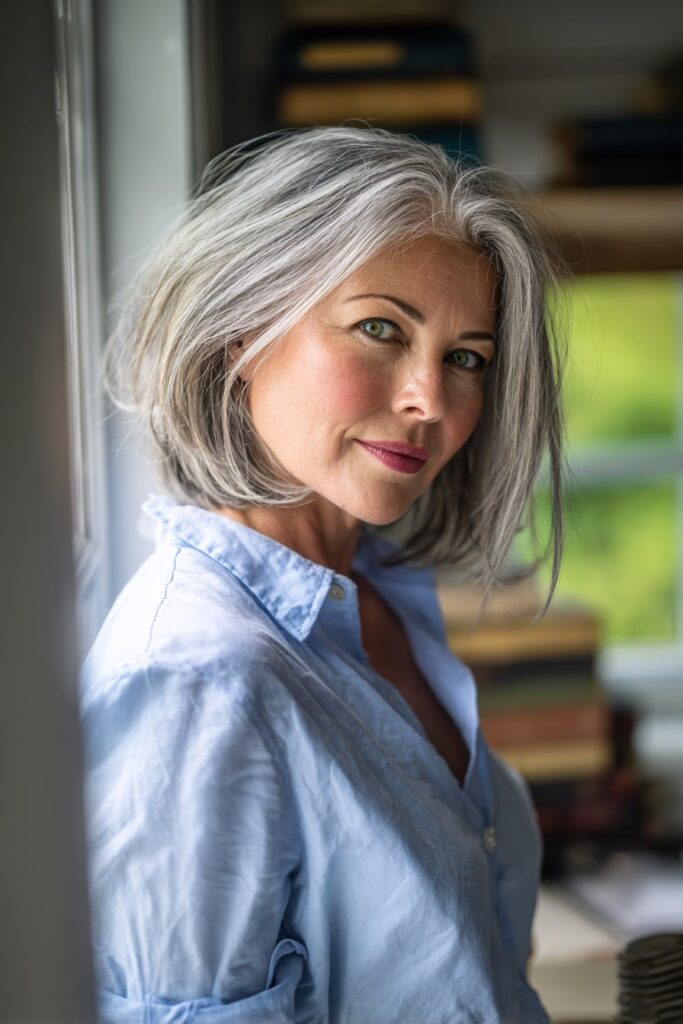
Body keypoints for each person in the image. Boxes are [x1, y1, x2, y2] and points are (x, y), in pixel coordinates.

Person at [80, 126, 564, 1024]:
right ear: (239, 330)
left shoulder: (380, 597)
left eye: (467, 357)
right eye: (380, 328)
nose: (430, 398)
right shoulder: (195, 683)